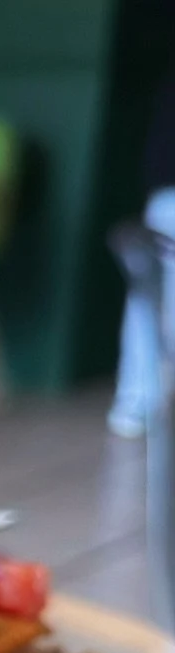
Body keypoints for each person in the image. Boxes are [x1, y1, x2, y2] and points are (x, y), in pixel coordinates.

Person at [110, 71, 175, 437]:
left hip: (164, 196)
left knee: (149, 301)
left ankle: (137, 403)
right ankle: (140, 404)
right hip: (169, 197)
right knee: (151, 302)